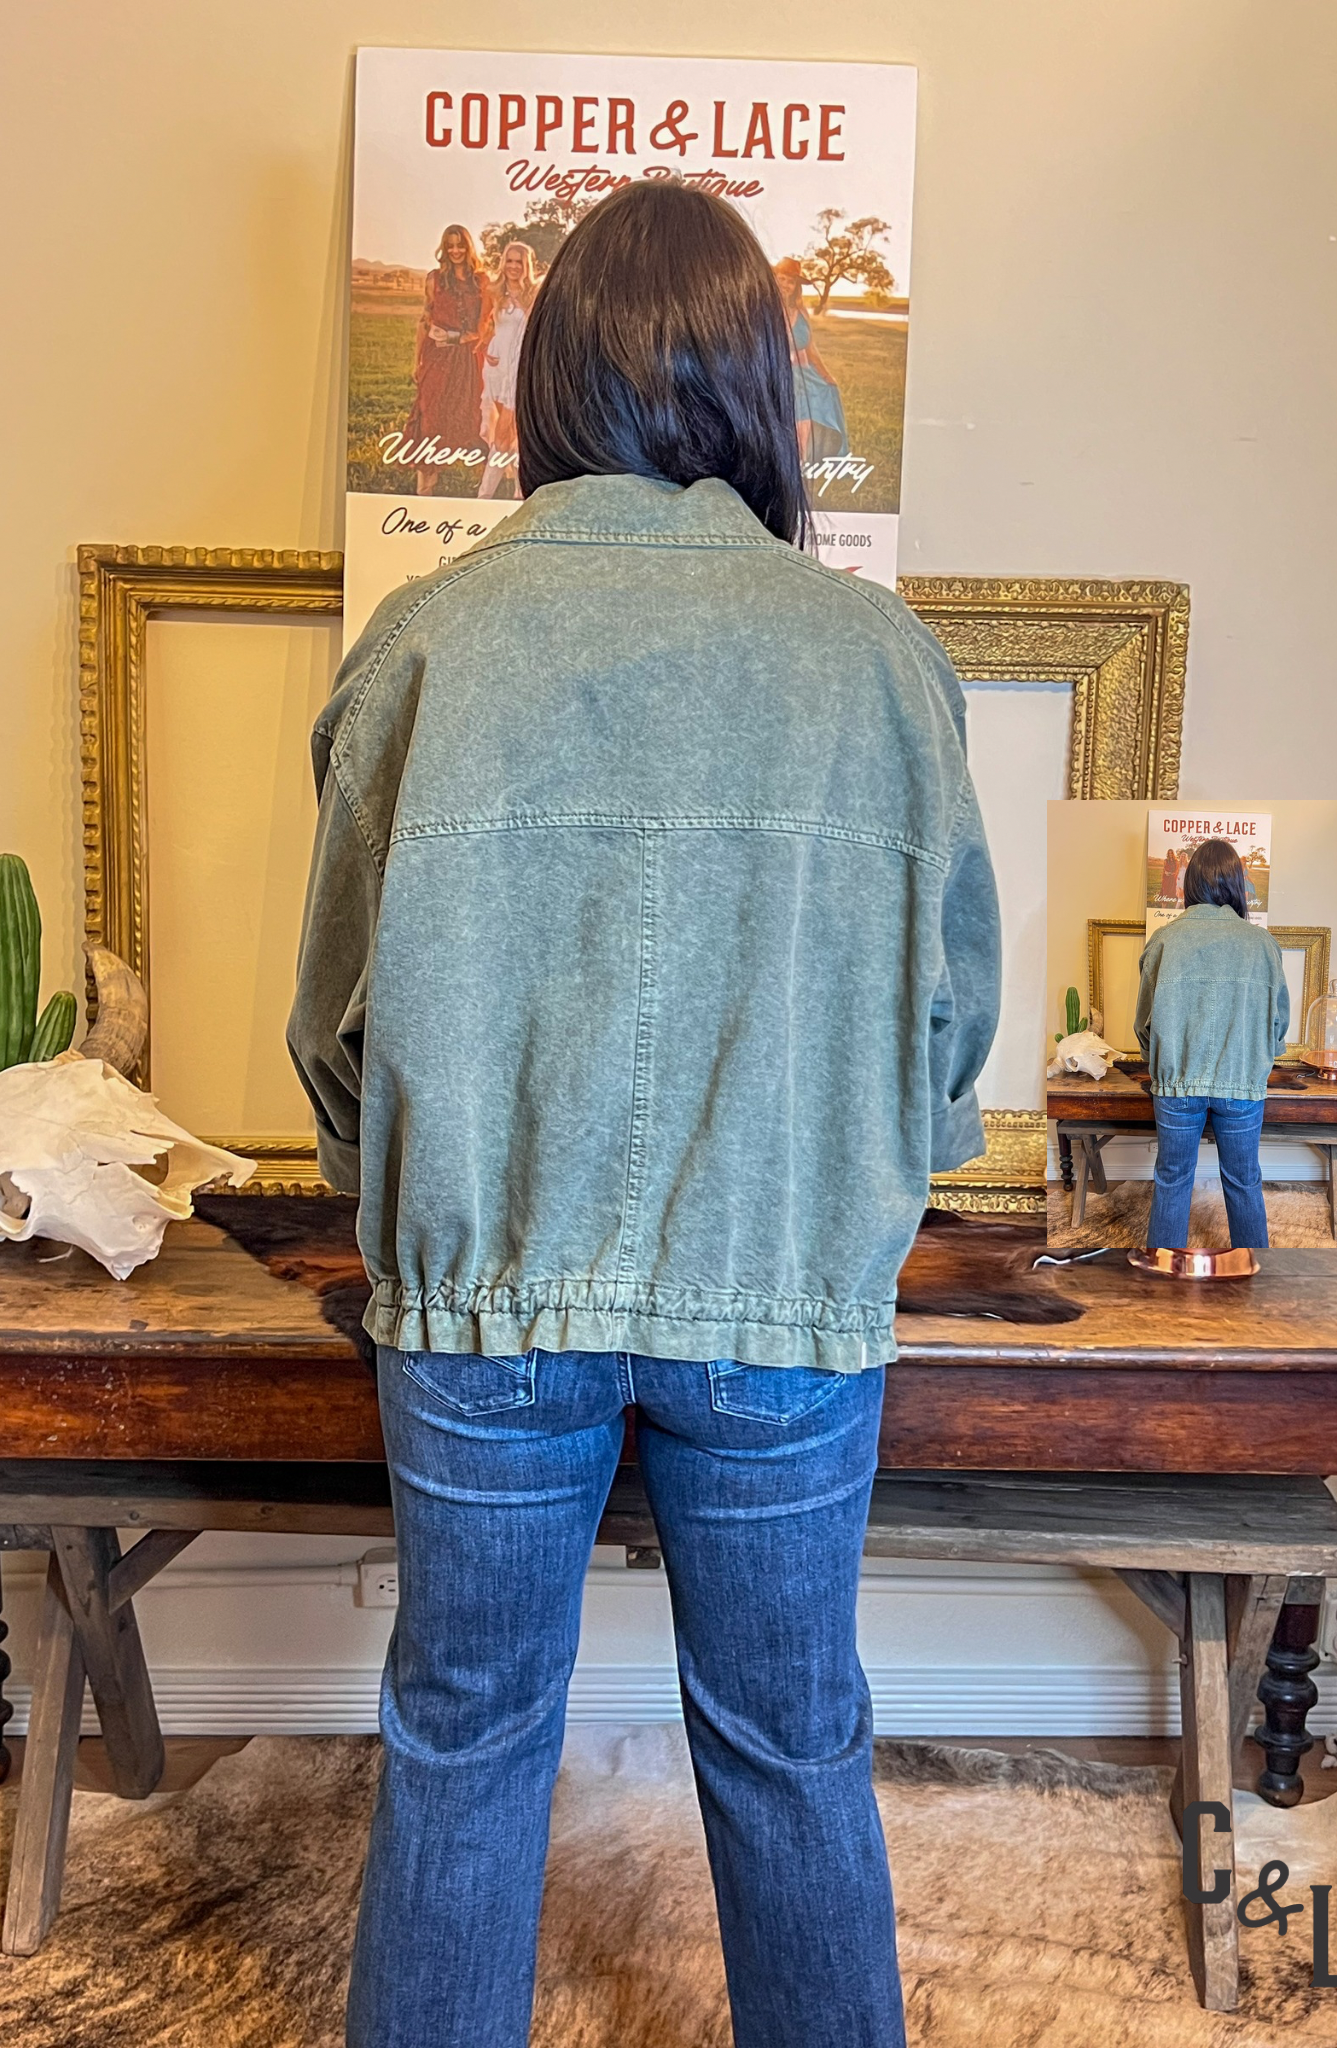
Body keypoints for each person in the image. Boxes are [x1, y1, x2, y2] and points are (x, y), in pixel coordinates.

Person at [289, 178, 1000, 2048]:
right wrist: (850, 1193)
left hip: (482, 1298)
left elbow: (335, 1042)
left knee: (463, 1732)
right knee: (791, 1738)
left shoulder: (427, 644)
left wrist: (421, 1218)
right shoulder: (878, 665)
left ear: (547, 376)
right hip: (781, 1293)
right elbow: (945, 1043)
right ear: (764, 385)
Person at [1135, 838, 1289, 1249]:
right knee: (1244, 1180)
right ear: (1238, 884)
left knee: (1172, 1178)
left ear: (1190, 883)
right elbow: (1278, 1027)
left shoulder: (1164, 941)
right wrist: (1259, 1061)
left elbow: (1144, 1028)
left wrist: (1161, 1064)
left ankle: (1163, 1275)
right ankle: (1254, 1272)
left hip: (1176, 1083)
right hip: (1242, 1083)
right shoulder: (1263, 945)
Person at [401, 223, 486, 496]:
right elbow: (425, 320)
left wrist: (459, 338)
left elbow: (485, 326)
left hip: (467, 358)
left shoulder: (481, 281)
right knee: (430, 413)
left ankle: (485, 480)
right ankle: (426, 483)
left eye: (460, 245)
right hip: (436, 356)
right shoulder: (434, 279)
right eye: (450, 245)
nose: (455, 250)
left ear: (468, 247)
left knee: (468, 414)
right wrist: (417, 361)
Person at [477, 239, 541, 499]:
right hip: (497, 366)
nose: (513, 266)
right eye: (510, 261)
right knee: (505, 429)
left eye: (519, 262)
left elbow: (533, 328)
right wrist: (488, 347)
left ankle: (487, 495)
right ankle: (518, 491)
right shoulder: (494, 292)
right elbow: (486, 325)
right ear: (504, 263)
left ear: (526, 266)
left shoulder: (533, 293)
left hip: (521, 367)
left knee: (511, 429)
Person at [773, 256, 849, 460]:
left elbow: (811, 349)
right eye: (782, 279)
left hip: (801, 371)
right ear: (774, 279)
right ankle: (793, 458)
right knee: (798, 397)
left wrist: (826, 375)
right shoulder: (766, 310)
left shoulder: (800, 311)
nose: (786, 285)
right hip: (775, 370)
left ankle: (803, 458)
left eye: (791, 281)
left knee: (822, 391)